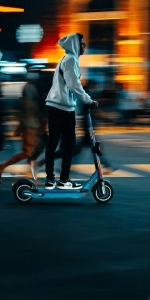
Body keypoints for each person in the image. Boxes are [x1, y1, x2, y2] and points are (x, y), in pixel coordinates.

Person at [44, 33, 97, 190]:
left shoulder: (66, 59)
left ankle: (50, 180)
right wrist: (88, 100)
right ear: (75, 44)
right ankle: (63, 180)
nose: (84, 46)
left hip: (57, 106)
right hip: (62, 108)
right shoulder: (70, 60)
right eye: (82, 43)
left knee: (53, 143)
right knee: (68, 144)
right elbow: (74, 85)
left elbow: (71, 87)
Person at [0, 78, 46, 182]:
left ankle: (34, 174)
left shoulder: (28, 91)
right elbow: (29, 111)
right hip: (31, 126)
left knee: (34, 151)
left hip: (31, 126)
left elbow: (25, 111)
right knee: (27, 153)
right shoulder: (30, 91)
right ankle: (1, 167)